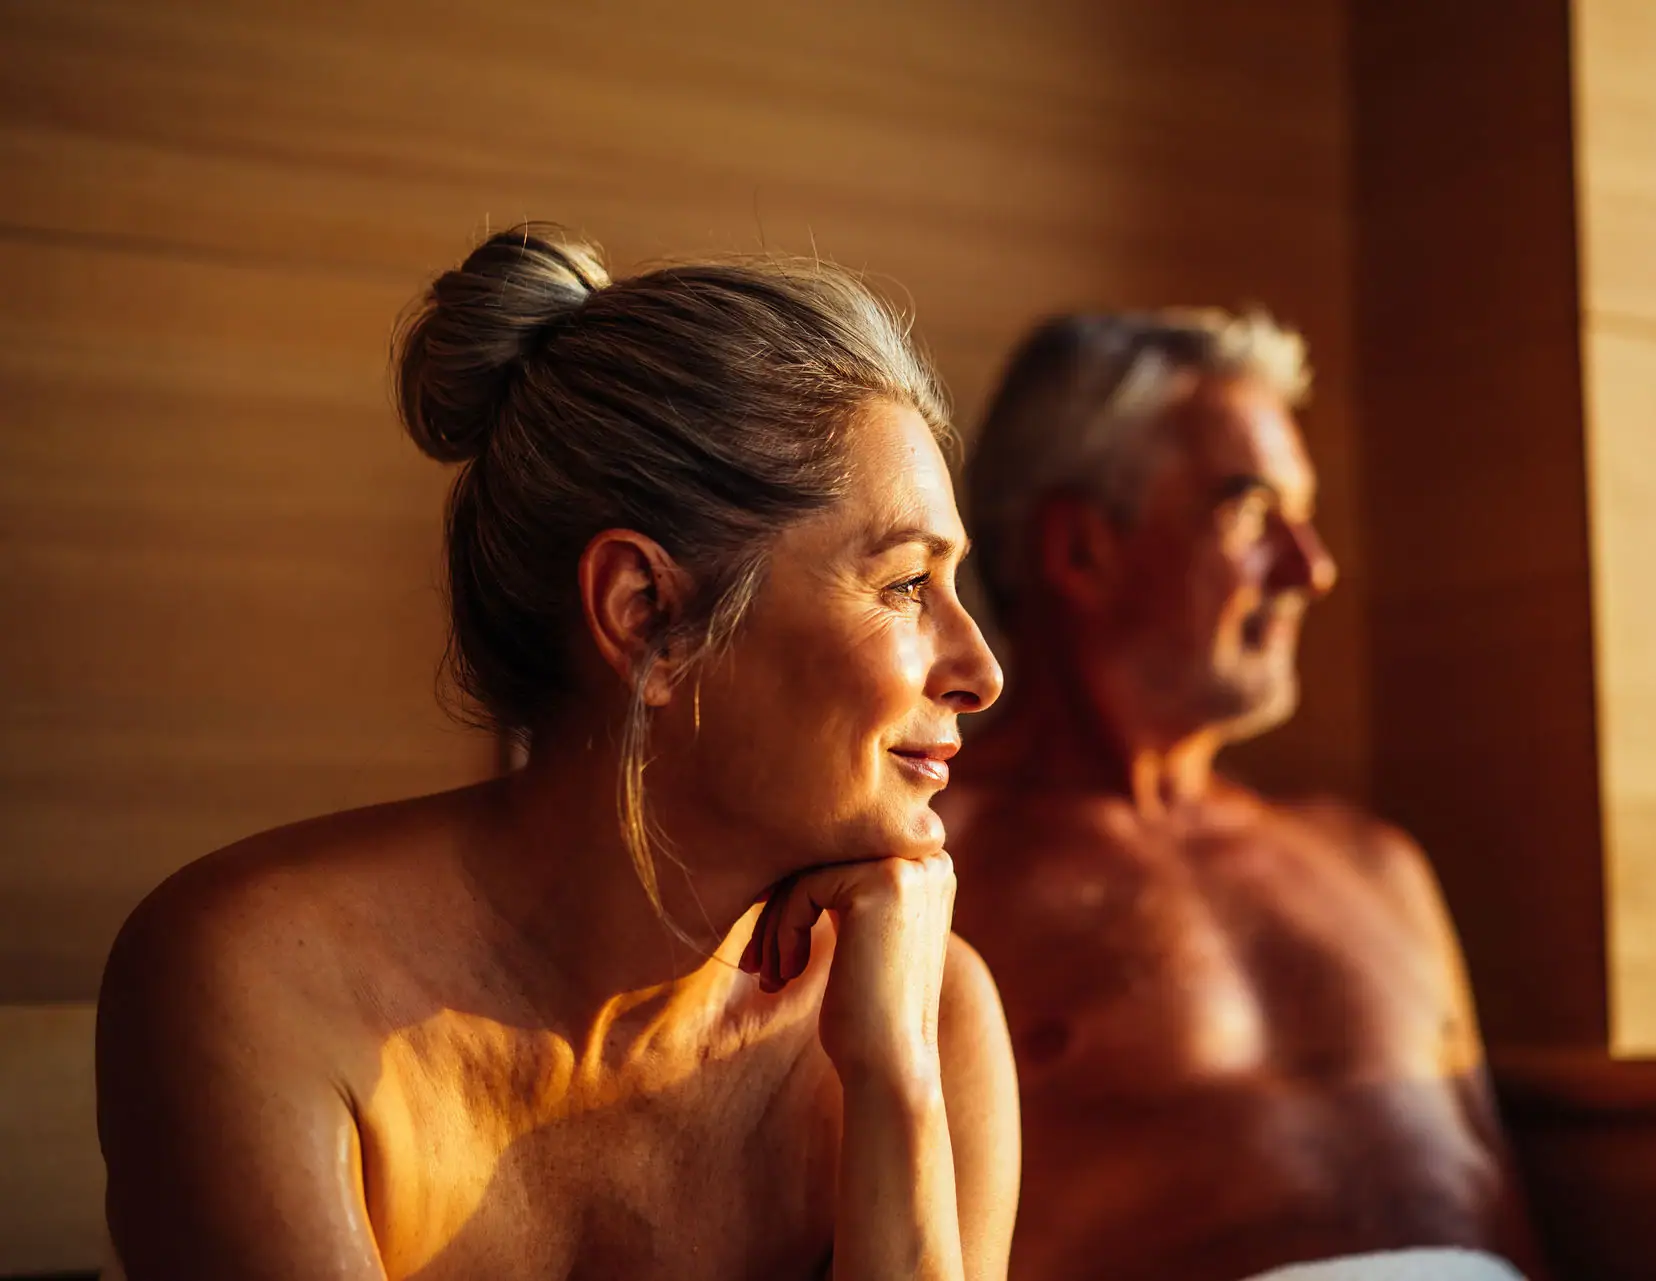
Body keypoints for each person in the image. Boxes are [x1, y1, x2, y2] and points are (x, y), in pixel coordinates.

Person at [94, 225, 1019, 1281]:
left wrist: (893, 1081)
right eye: (906, 585)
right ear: (647, 615)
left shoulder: (925, 1009)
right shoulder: (258, 986)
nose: (980, 669)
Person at [939, 310, 1545, 1281]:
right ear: (1081, 551)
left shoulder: (1373, 863)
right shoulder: (933, 873)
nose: (1312, 569)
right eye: (1253, 513)